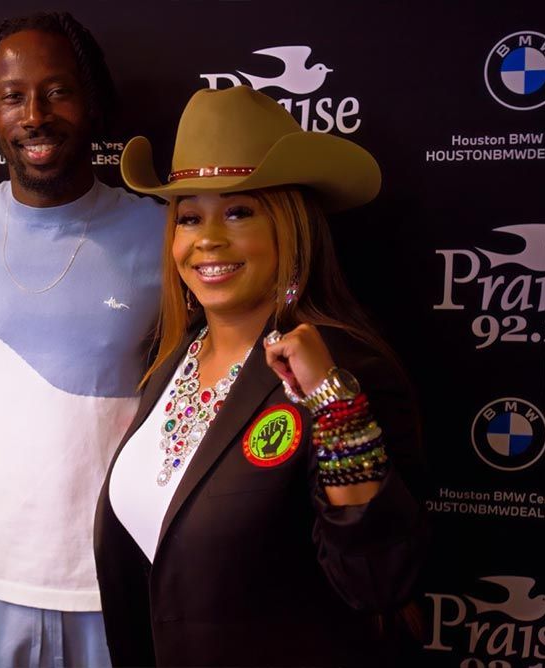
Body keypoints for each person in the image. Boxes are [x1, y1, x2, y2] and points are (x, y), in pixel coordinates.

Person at [94, 86, 428, 667]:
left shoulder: (348, 370)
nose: (208, 240)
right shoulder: (171, 361)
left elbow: (377, 582)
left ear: (290, 228)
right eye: (190, 216)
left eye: (240, 211)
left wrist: (334, 405)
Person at [0, 11, 164, 667]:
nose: (35, 114)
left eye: (57, 91)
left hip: (113, 581)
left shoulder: (163, 233)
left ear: (92, 104)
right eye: (12, 96)